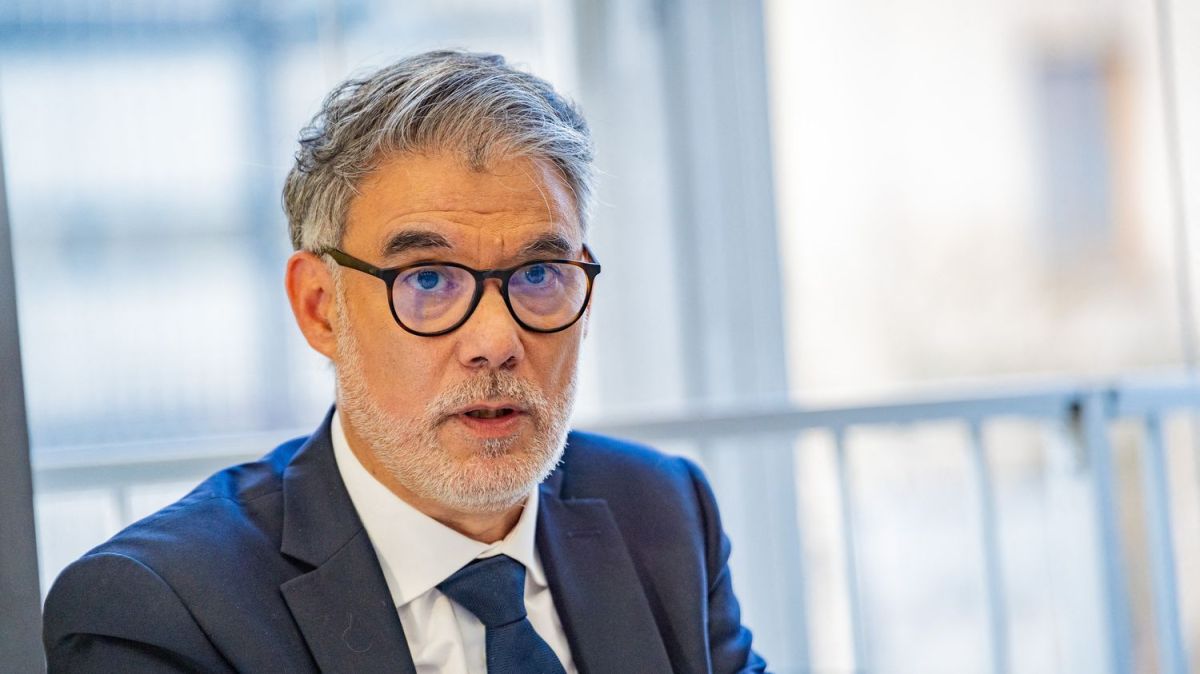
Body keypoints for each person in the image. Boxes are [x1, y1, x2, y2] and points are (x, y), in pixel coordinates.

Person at [42, 50, 767, 673]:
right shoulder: (158, 608)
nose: (495, 340)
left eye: (539, 274)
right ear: (320, 307)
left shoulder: (662, 511)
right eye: (427, 280)